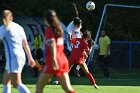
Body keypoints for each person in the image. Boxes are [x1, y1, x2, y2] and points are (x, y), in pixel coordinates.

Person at [35, 10, 75, 93]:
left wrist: (53, 60)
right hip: (62, 60)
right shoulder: (59, 28)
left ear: (46, 19)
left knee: (39, 86)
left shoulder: (49, 29)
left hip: (53, 61)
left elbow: (52, 43)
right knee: (68, 88)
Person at [0, 10, 36, 93]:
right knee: (6, 81)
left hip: (13, 57)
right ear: (12, 17)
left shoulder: (3, 28)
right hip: (21, 56)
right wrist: (30, 58)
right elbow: (25, 44)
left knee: (16, 83)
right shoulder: (19, 27)